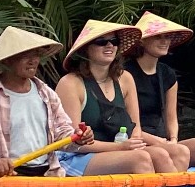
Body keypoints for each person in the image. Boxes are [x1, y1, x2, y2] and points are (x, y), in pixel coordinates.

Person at [0, 25, 156, 179]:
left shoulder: (45, 93)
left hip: (47, 172)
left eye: (36, 55)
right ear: (6, 61)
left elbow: (63, 135)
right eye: (24, 56)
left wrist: (78, 138)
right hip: (11, 175)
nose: (33, 60)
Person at [54, 21, 180, 174]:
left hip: (119, 149)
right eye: (101, 42)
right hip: (77, 155)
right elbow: (71, 142)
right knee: (140, 158)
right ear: (85, 49)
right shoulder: (70, 83)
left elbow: (135, 127)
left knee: (161, 155)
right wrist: (120, 147)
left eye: (114, 41)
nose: (109, 46)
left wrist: (132, 144)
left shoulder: (125, 78)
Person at [127, 11, 195, 171]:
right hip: (137, 141)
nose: (164, 41)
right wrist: (159, 142)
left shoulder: (167, 74)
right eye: (158, 37)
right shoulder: (125, 74)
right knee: (176, 151)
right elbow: (127, 124)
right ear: (142, 41)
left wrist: (172, 139)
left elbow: (171, 118)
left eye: (167, 37)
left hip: (163, 141)